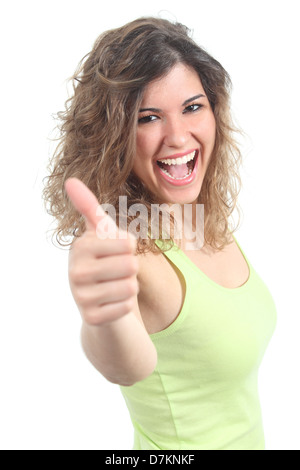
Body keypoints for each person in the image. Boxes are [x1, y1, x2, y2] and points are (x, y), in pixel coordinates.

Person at [43, 17, 277, 450]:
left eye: (192, 107)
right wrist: (105, 317)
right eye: (148, 118)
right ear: (114, 137)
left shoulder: (201, 217)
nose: (177, 137)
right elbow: (128, 364)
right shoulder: (126, 248)